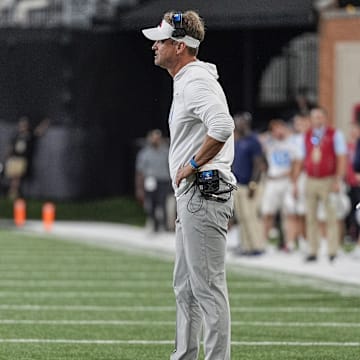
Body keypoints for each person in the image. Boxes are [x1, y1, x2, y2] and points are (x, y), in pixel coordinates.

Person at [142, 10, 236, 360]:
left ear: (179, 46)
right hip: (194, 195)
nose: (154, 45)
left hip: (204, 191)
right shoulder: (187, 80)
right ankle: (184, 356)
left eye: (161, 40)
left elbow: (223, 125)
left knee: (207, 288)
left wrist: (193, 164)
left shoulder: (195, 80)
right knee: (185, 287)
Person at [293, 107, 347, 262]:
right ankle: (313, 249)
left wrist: (338, 179)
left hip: (328, 179)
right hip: (311, 179)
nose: (317, 120)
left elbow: (341, 158)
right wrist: (296, 181)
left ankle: (332, 250)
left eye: (319, 117)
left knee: (331, 215)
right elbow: (301, 159)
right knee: (310, 215)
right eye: (314, 117)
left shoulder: (334, 134)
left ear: (324, 118)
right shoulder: (307, 136)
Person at [260, 119, 298, 251]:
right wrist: (271, 134)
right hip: (272, 180)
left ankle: (290, 243)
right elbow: (259, 140)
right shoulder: (270, 142)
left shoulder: (292, 143)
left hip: (286, 181)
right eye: (275, 129)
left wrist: (294, 181)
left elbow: (296, 163)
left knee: (289, 213)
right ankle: (263, 242)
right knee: (267, 212)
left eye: (280, 128)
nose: (278, 131)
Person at [232, 112, 265, 255]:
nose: (238, 124)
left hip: (248, 184)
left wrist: (253, 183)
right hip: (238, 184)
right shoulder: (237, 140)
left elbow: (259, 164)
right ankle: (246, 246)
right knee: (242, 217)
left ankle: (257, 246)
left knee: (251, 216)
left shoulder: (253, 140)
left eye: (240, 122)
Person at [4, 116, 49, 199]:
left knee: (17, 178)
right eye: (21, 124)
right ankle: (13, 193)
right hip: (14, 159)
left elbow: (38, 132)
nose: (22, 126)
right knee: (13, 178)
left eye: (24, 125)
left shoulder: (29, 135)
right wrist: (8, 156)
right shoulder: (16, 135)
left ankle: (13, 194)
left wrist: (44, 124)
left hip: (21, 160)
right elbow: (11, 147)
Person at [135, 129, 172, 232]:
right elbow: (140, 171)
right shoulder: (145, 153)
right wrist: (139, 188)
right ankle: (154, 223)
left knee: (163, 203)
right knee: (151, 203)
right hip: (151, 181)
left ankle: (164, 226)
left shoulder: (166, 152)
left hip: (164, 181)